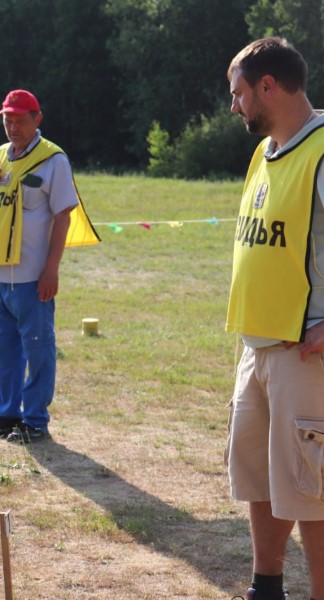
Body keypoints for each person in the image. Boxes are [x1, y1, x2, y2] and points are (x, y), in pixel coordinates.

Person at [225, 37, 324, 600]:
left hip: (305, 355)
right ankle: (266, 588)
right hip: (259, 346)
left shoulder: (322, 150)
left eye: (238, 93)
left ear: (268, 86)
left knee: (313, 490)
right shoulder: (264, 153)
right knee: (262, 477)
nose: (233, 105)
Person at [0, 89, 94, 445]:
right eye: (7, 120)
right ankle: (6, 415)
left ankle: (35, 421)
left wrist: (51, 269)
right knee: (2, 349)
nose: (13, 127)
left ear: (37, 119)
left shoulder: (53, 160)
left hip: (31, 277)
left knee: (38, 348)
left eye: (20, 121)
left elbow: (63, 216)